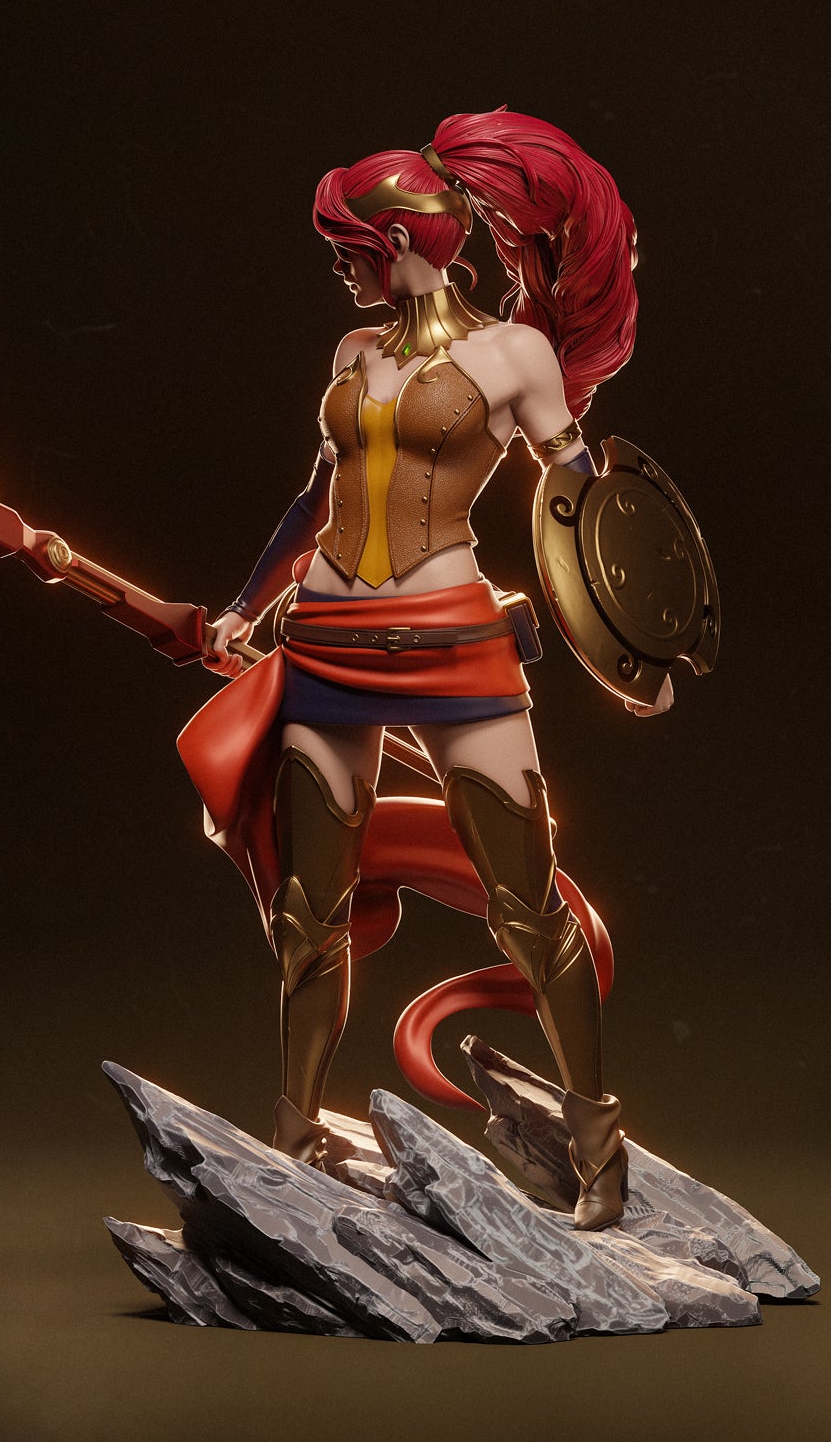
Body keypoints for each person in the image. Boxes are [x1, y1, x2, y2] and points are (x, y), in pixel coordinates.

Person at [181, 109, 669, 1230]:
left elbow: (582, 511)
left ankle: (598, 1145)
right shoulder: (352, 355)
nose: (336, 266)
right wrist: (246, 606)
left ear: (398, 240)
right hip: (328, 642)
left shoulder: (514, 357)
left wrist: (623, 652)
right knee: (309, 913)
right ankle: (293, 1134)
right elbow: (317, 501)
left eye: (346, 245)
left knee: (527, 907)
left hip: (453, 640)